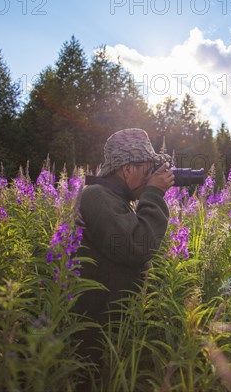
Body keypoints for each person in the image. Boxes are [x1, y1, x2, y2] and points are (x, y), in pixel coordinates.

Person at [74, 128, 174, 372]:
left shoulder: (113, 199)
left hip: (108, 331)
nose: (152, 175)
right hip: (94, 335)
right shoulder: (97, 196)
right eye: (147, 169)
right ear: (127, 169)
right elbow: (136, 246)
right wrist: (153, 194)